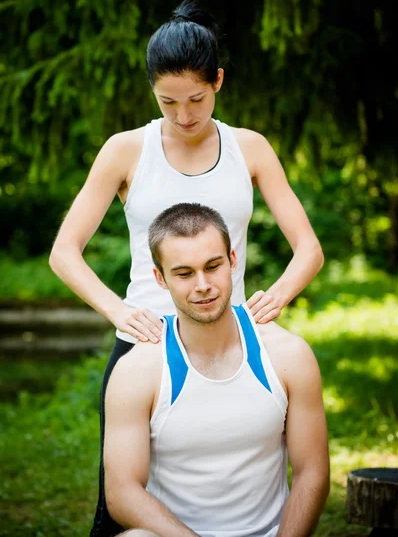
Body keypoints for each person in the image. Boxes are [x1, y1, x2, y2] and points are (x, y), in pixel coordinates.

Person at [49, 0, 324, 536]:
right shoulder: (126, 150)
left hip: (233, 339)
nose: (183, 115)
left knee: (240, 475)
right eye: (167, 101)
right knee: (121, 506)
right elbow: (65, 251)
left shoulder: (252, 149)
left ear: (218, 81)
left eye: (196, 98)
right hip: (149, 342)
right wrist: (117, 310)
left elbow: (308, 247)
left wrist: (280, 295)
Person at [105, 202, 330, 537]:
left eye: (213, 266)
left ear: (232, 261)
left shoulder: (287, 354)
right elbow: (122, 492)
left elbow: (312, 471)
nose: (202, 285)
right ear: (160, 278)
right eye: (184, 273)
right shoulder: (137, 370)